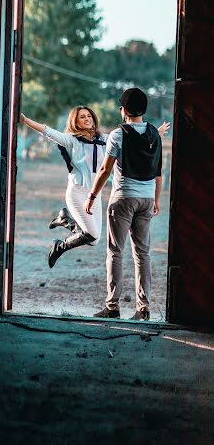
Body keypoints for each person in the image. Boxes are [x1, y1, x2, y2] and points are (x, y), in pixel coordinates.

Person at [19, 106, 168, 269]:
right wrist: (26, 121)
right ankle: (59, 246)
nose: (87, 119)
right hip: (77, 193)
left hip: (93, 195)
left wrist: (155, 136)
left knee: (94, 240)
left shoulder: (105, 138)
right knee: (91, 233)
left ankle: (64, 219)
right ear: (75, 121)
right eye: (82, 117)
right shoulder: (70, 140)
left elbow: (133, 142)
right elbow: (47, 131)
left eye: (89, 115)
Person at [84, 87, 163, 321]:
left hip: (123, 198)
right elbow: (158, 173)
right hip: (147, 199)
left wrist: (92, 196)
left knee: (115, 253)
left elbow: (105, 169)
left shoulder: (118, 134)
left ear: (125, 111)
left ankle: (112, 306)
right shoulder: (154, 135)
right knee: (143, 254)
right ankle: (143, 308)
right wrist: (156, 199)